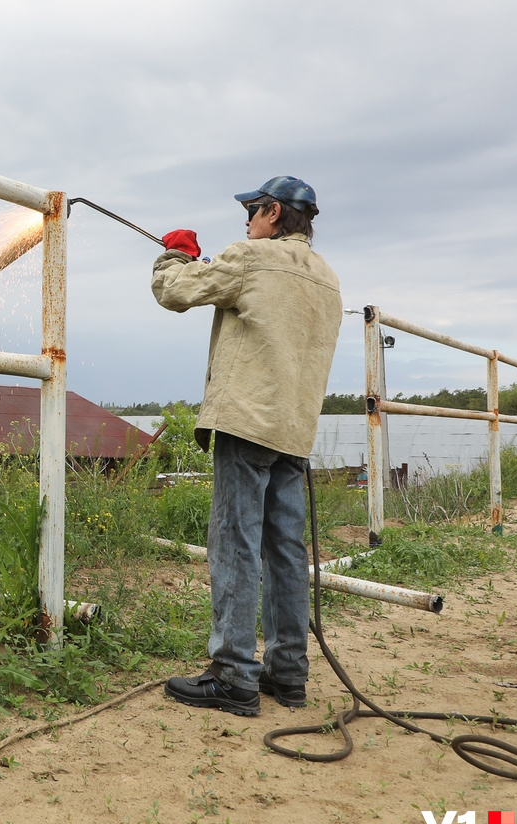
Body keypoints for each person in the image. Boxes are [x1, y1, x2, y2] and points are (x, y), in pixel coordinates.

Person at [150, 176, 342, 716]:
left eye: (253, 212)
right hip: (294, 433)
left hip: (246, 425)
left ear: (274, 212)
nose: (246, 221)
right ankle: (288, 676)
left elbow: (175, 292)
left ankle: (233, 675)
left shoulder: (249, 258)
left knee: (235, 543)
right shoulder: (328, 278)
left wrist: (175, 255)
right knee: (285, 551)